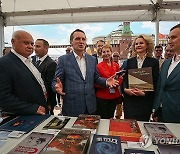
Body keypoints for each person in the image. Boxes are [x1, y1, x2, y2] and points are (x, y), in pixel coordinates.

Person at [52, 29, 119, 116]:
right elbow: (55, 81)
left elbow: (96, 78)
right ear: (71, 42)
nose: (81, 42)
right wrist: (56, 87)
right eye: (77, 39)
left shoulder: (92, 59)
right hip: (72, 107)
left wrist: (106, 82)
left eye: (83, 39)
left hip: (90, 106)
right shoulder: (63, 60)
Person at [0, 30, 49, 115]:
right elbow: (3, 97)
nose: (30, 47)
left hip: (40, 113)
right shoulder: (4, 64)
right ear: (13, 42)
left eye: (32, 44)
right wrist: (32, 108)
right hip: (23, 117)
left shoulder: (30, 62)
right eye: (26, 43)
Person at [122, 34, 159, 121]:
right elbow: (125, 79)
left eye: (141, 43)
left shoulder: (154, 62)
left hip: (144, 102)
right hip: (130, 101)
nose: (138, 45)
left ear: (147, 45)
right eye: (136, 44)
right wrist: (125, 89)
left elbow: (156, 81)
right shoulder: (129, 61)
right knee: (129, 127)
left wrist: (145, 93)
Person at [153, 24, 180, 123]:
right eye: (169, 38)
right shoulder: (166, 63)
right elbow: (160, 87)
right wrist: (155, 108)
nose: (169, 41)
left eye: (173, 37)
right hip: (162, 115)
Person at [96, 44, 123, 119]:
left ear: (111, 52)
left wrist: (117, 83)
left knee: (111, 116)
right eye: (104, 52)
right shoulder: (98, 66)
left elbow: (120, 77)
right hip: (102, 96)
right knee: (102, 117)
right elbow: (96, 81)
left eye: (108, 51)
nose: (106, 54)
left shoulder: (116, 65)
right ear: (101, 54)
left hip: (113, 95)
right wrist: (107, 84)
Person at [33, 39, 57, 114]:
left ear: (46, 48)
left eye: (38, 46)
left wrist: (49, 103)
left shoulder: (51, 64)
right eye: (34, 46)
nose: (35, 48)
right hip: (36, 101)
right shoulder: (33, 61)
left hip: (46, 102)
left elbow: (50, 85)